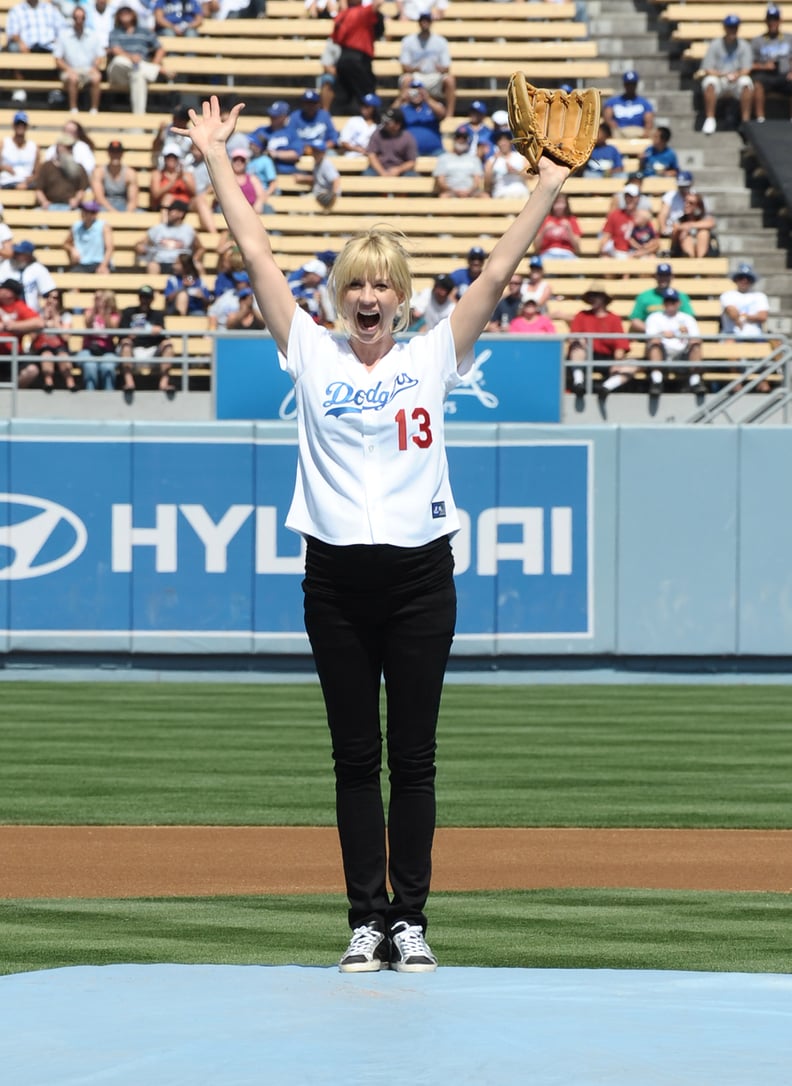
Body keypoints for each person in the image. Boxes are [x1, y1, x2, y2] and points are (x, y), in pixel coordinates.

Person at [174, 93, 570, 973]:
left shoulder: (432, 355)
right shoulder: (310, 351)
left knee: (414, 759)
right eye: (356, 281)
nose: (368, 295)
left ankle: (413, 921)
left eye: (382, 282)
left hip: (423, 578)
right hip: (336, 583)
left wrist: (544, 187)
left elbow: (499, 274)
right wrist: (215, 158)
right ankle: (365, 920)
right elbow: (256, 253)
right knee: (356, 756)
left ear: (401, 296)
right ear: (340, 293)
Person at [567, 282, 631, 397]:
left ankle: (606, 387)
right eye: (591, 296)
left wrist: (617, 362)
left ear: (603, 298)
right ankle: (578, 382)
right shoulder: (582, 316)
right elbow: (572, 338)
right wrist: (580, 341)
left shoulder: (614, 319)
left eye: (596, 295)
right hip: (586, 355)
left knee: (631, 366)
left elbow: (620, 346)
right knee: (577, 347)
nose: (593, 299)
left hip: (608, 358)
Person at [106, 5, 172, 115]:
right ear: (118, 17)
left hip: (137, 70)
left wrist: (155, 62)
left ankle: (139, 119)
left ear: (133, 15)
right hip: (119, 72)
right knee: (119, 60)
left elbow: (160, 49)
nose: (125, 15)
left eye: (128, 12)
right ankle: (156, 70)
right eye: (122, 13)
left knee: (138, 75)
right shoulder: (115, 32)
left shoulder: (145, 32)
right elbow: (115, 50)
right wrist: (132, 58)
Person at [698, 15, 754, 134]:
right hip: (720, 78)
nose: (732, 30)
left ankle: (746, 121)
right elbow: (708, 69)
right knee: (709, 82)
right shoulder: (715, 44)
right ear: (725, 28)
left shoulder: (744, 45)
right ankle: (710, 119)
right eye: (730, 27)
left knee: (746, 82)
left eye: (735, 27)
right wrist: (723, 75)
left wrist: (736, 75)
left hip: (736, 79)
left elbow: (747, 69)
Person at [644, 287, 703, 395]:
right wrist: (662, 335)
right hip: (663, 353)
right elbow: (650, 336)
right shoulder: (654, 317)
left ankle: (695, 382)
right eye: (667, 301)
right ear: (663, 303)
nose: (670, 304)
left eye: (673, 301)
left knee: (696, 344)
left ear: (679, 303)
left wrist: (688, 337)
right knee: (654, 344)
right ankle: (656, 382)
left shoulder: (687, 318)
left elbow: (696, 337)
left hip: (683, 354)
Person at [398, 12, 456, 119]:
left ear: (431, 22)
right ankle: (403, 115)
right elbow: (404, 66)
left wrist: (440, 68)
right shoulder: (408, 41)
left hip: (434, 76)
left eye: (427, 21)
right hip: (416, 75)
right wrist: (416, 68)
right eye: (422, 21)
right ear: (419, 23)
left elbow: (446, 67)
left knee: (450, 80)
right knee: (406, 80)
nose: (425, 23)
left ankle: (449, 116)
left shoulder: (441, 41)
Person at [330, 0, 384, 113]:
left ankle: (338, 120)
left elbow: (335, 39)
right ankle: (375, 120)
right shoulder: (360, 12)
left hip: (343, 58)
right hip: (358, 59)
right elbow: (378, 3)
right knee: (367, 93)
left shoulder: (341, 15)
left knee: (343, 95)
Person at [118, 283, 174, 393]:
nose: (145, 300)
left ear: (152, 299)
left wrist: (159, 332)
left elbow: (165, 337)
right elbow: (120, 335)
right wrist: (129, 334)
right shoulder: (129, 312)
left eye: (147, 297)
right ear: (139, 298)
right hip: (133, 350)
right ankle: (129, 383)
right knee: (125, 343)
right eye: (142, 297)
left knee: (168, 345)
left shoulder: (158, 315)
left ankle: (164, 383)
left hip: (152, 351)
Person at [53, 5, 105, 114]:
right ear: (72, 19)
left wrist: (94, 67)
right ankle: (73, 108)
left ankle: (94, 109)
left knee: (97, 77)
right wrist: (68, 69)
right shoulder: (64, 35)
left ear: (86, 19)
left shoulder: (93, 35)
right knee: (73, 78)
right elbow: (58, 59)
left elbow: (100, 56)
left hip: (88, 69)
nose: (79, 20)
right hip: (70, 70)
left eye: (82, 18)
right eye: (76, 18)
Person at [135, 199, 203, 274]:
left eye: (172, 210)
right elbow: (140, 243)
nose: (169, 213)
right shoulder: (158, 228)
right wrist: (140, 247)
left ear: (181, 214)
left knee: (198, 266)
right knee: (152, 266)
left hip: (182, 263)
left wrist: (194, 259)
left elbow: (200, 248)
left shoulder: (189, 230)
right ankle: (154, 285)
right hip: (161, 262)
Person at [28, 289, 77, 392]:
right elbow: (32, 336)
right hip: (42, 347)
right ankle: (48, 382)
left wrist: (55, 318)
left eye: (54, 298)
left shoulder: (65, 316)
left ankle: (70, 383)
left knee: (62, 356)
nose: (50, 300)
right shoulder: (38, 315)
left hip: (60, 347)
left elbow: (65, 337)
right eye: (48, 297)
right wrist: (44, 319)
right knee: (47, 355)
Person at [0, 277, 45, 388]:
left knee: (31, 370)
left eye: (4, 289)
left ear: (11, 293)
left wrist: (13, 326)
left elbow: (39, 323)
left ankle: (12, 395)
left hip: (13, 355)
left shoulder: (19, 306)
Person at [751, 5, 792, 122]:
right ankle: (760, 119)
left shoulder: (789, 38)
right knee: (757, 83)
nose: (772, 22)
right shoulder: (757, 40)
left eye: (775, 19)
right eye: (770, 19)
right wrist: (764, 66)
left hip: (785, 75)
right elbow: (749, 65)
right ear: (765, 21)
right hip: (766, 76)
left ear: (780, 21)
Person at [629, 262, 696, 334]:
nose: (663, 279)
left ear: (671, 277)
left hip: (677, 337)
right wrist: (655, 331)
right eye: (661, 275)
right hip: (652, 338)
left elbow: (689, 319)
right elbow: (635, 320)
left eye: (666, 275)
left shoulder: (681, 296)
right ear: (656, 277)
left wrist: (675, 332)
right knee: (655, 342)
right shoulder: (644, 297)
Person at [78, 287, 120, 391]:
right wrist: (95, 309)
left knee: (108, 368)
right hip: (88, 349)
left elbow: (112, 330)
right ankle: (90, 397)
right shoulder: (89, 312)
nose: (99, 301)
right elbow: (88, 325)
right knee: (90, 366)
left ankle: (109, 398)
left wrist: (105, 314)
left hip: (107, 350)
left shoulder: (114, 316)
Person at [34, 133, 90, 211]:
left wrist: (76, 200)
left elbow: (81, 189)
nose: (70, 150)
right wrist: (44, 202)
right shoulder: (46, 166)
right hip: (50, 206)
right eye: (68, 147)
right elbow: (39, 189)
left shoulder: (79, 167)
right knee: (36, 213)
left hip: (70, 207)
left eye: (71, 147)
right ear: (59, 147)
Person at [0, 239, 56, 313]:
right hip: (8, 314)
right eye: (16, 252)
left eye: (20, 253)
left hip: (32, 314)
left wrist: (48, 310)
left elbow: (50, 293)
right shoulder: (6, 266)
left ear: (28, 255)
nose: (16, 255)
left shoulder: (37, 268)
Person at [364, 108, 418, 179]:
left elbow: (411, 161)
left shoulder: (408, 137)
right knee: (367, 175)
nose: (385, 123)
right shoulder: (377, 133)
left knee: (411, 176)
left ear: (398, 125)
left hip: (400, 170)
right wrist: (382, 172)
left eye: (388, 122)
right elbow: (371, 155)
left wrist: (398, 169)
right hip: (379, 168)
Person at [396, 78, 446, 156]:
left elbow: (442, 113)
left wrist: (427, 99)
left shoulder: (431, 107)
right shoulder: (404, 108)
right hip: (411, 151)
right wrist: (401, 99)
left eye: (419, 91)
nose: (416, 94)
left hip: (435, 150)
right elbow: (390, 115)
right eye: (413, 91)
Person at [432, 126, 485, 198]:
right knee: (443, 197)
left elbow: (477, 180)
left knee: (485, 196)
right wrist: (453, 191)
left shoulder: (474, 159)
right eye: (458, 137)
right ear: (454, 139)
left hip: (471, 192)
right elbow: (441, 180)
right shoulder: (443, 158)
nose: (461, 140)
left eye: (464, 138)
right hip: (450, 192)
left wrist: (468, 191)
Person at [251, 101, 302, 175]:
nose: (272, 117)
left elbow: (296, 154)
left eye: (276, 116)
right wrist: (256, 148)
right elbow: (249, 142)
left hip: (285, 170)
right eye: (271, 115)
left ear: (284, 116)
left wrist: (275, 154)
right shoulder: (262, 130)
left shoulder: (291, 133)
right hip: (261, 170)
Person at [720, 263, 769, 339]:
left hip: (755, 336)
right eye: (741, 277)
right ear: (736, 279)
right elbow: (731, 312)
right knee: (729, 343)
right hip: (732, 335)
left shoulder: (760, 296)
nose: (744, 280)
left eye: (748, 278)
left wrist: (743, 317)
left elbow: (763, 316)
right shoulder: (727, 295)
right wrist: (746, 317)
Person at [63, 199, 114, 273]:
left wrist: (103, 265)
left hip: (99, 262)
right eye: (83, 211)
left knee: (103, 276)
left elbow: (109, 248)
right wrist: (72, 249)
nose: (84, 213)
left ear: (94, 214)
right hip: (82, 264)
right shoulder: (76, 226)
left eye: (87, 212)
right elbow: (66, 243)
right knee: (71, 279)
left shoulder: (103, 226)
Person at [602, 70, 655, 138]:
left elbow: (649, 122)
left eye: (633, 84)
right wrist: (612, 125)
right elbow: (607, 118)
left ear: (636, 85)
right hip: (619, 131)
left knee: (654, 134)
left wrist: (646, 131)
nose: (630, 87)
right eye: (628, 84)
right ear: (624, 84)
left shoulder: (644, 103)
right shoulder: (613, 102)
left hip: (638, 131)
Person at [92, 140, 140, 212]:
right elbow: (99, 198)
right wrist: (113, 212)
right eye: (113, 152)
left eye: (118, 152)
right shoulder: (99, 172)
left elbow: (133, 200)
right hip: (105, 207)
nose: (115, 155)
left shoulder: (130, 173)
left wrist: (127, 214)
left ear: (122, 154)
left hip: (124, 206)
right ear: (108, 153)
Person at [669, 190, 718, 259]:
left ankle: (701, 261)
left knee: (703, 233)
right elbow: (675, 229)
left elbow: (711, 223)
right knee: (685, 236)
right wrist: (684, 228)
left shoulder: (702, 218)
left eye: (691, 203)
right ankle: (690, 260)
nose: (687, 205)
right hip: (681, 250)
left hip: (701, 248)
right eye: (685, 201)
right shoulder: (679, 219)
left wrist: (690, 225)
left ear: (697, 206)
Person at [289, 88, 340, 153]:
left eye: (313, 103)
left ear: (318, 104)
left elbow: (333, 138)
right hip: (300, 150)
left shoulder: (324, 115)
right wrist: (303, 148)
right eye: (307, 103)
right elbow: (290, 137)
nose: (310, 106)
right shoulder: (295, 116)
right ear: (303, 104)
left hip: (322, 150)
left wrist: (321, 147)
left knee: (332, 154)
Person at [296, 138, 341, 210]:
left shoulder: (326, 164)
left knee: (299, 204)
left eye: (317, 151)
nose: (314, 153)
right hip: (317, 195)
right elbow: (319, 179)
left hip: (323, 196)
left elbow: (336, 179)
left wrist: (333, 195)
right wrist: (304, 179)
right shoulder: (317, 163)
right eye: (314, 150)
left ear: (322, 152)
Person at [149, 141, 196, 211]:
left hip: (183, 205)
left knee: (199, 200)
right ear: (164, 158)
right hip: (165, 205)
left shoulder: (186, 175)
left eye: (174, 157)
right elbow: (156, 194)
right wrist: (172, 182)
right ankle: (164, 221)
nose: (171, 159)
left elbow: (195, 193)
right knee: (168, 198)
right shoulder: (158, 174)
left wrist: (183, 178)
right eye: (168, 157)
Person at [599, 184, 642, 258]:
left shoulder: (642, 217)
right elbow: (606, 236)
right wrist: (603, 249)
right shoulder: (615, 215)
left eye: (632, 197)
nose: (629, 199)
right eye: (627, 196)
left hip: (636, 253)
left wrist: (640, 252)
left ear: (638, 198)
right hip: (617, 252)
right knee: (605, 258)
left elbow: (653, 240)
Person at [484, 129, 529, 199]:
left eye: (505, 140)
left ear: (510, 142)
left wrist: (516, 172)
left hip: (521, 193)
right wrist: (494, 161)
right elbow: (486, 183)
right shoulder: (491, 160)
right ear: (497, 143)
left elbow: (531, 176)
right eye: (500, 141)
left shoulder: (521, 157)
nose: (503, 143)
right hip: (501, 194)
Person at [535, 192, 581, 259]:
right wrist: (544, 230)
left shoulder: (571, 220)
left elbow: (577, 247)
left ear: (566, 204)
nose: (559, 206)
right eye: (556, 203)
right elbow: (536, 247)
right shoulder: (546, 220)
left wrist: (569, 230)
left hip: (567, 253)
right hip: (548, 253)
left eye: (562, 203)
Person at [0, 112, 39, 190]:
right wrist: (3, 167)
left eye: (23, 124)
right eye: (18, 124)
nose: (20, 126)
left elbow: (37, 172)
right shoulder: (3, 144)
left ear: (27, 126)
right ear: (13, 126)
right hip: (7, 182)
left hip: (27, 183)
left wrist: (30, 180)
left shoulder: (34, 147)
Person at [226, 143, 270, 212]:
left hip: (252, 210)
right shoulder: (227, 179)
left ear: (246, 163)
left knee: (267, 209)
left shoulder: (252, 178)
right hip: (232, 211)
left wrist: (259, 203)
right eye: (235, 160)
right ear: (232, 162)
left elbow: (261, 195)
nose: (238, 162)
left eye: (242, 160)